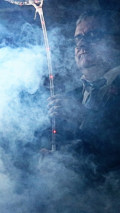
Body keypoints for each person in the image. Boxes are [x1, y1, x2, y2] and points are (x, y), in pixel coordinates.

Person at [48, 10, 120, 177]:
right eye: (78, 38)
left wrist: (84, 116)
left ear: (116, 41)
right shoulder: (73, 95)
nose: (81, 44)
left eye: (93, 35)